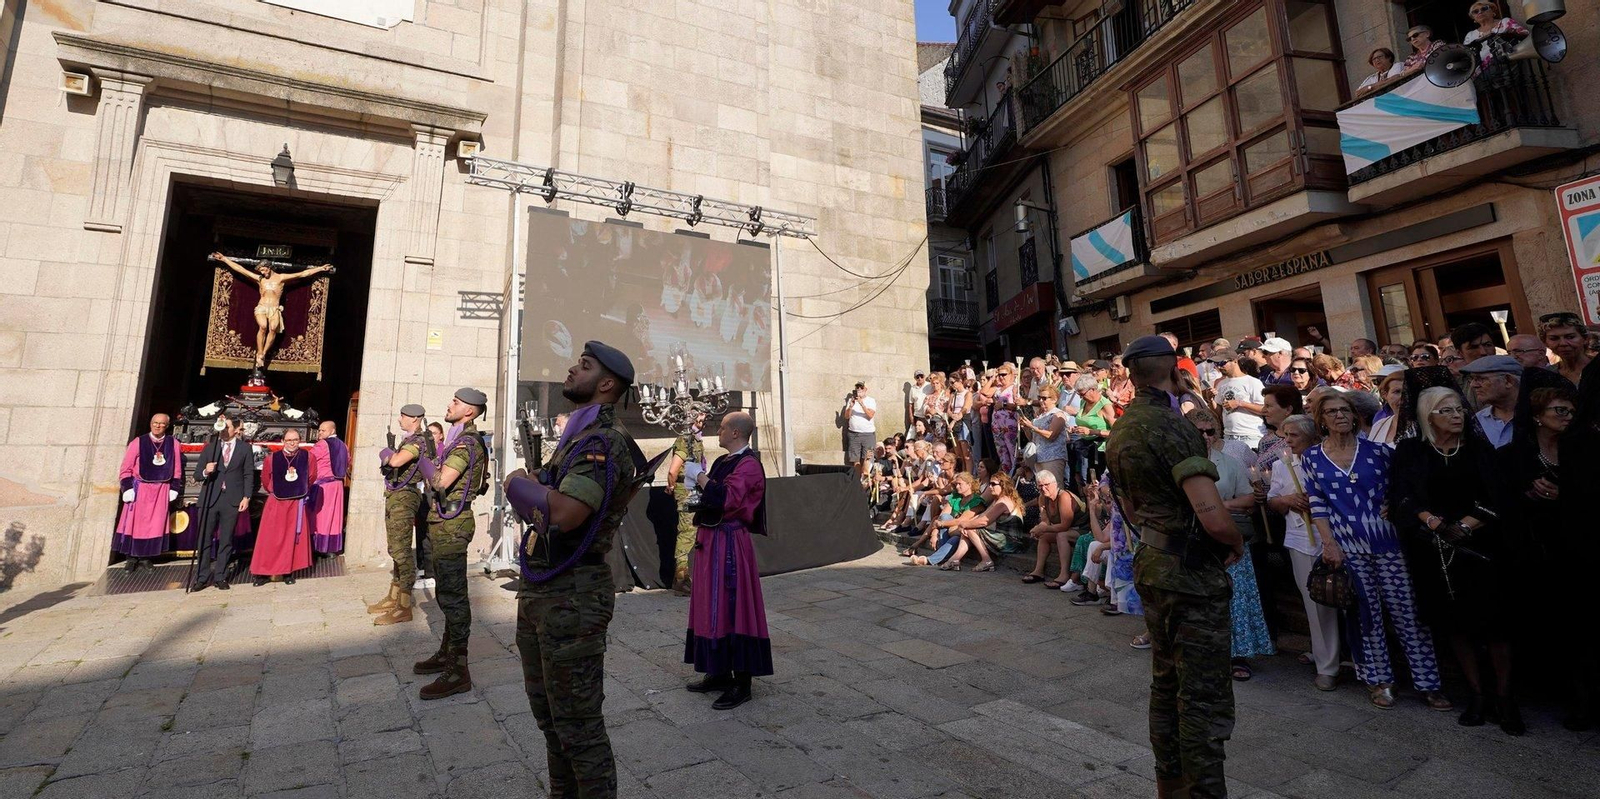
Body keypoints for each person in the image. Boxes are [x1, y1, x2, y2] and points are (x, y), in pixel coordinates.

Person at [504, 342, 642, 798]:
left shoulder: (601, 441)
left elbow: (564, 514)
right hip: (549, 589)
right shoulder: (579, 437)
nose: (570, 368)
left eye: (583, 366)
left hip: (573, 595)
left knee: (579, 728)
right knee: (550, 720)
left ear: (606, 384)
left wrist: (517, 486)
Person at [1107, 335, 1242, 799]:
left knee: (1166, 684)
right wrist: (1234, 540)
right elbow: (1210, 511)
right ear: (1171, 370)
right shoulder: (1172, 426)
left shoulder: (1122, 428)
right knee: (1202, 697)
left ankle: (1169, 787)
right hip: (1189, 569)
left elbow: (1127, 502)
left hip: (1152, 559)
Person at [1303, 392, 1449, 711]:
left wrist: (1393, 506)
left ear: (1356, 416)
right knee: (1365, 614)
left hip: (1387, 541)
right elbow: (1317, 502)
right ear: (1321, 419)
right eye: (1331, 411)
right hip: (1345, 545)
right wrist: (1328, 543)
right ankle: (1378, 680)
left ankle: (1429, 683)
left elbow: (1402, 490)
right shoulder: (1312, 457)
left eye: (1345, 410)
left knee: (1406, 611)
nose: (1339, 415)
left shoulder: (1380, 451)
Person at [1389, 386, 1515, 731]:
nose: (1457, 415)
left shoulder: (1477, 449)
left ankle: (1504, 698)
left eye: (1459, 409)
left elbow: (1497, 494)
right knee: (1455, 623)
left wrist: (1464, 525)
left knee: (1496, 626)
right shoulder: (1412, 450)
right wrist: (1433, 522)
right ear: (1428, 416)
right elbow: (1401, 495)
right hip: (1434, 549)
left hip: (1481, 546)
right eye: (1446, 411)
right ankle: (1476, 695)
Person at [683, 411, 772, 710]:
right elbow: (710, 495)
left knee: (734, 606)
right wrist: (696, 487)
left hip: (731, 543)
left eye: (721, 428)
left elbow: (727, 499)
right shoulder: (723, 462)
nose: (717, 432)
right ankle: (718, 672)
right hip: (712, 540)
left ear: (735, 433)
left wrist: (700, 476)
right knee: (711, 606)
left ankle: (742, 683)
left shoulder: (749, 465)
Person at [413, 387, 491, 700]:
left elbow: (441, 481)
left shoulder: (466, 442)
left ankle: (458, 671)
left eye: (456, 402)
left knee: (454, 596)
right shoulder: (460, 438)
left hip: (452, 524)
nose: (450, 405)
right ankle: (447, 653)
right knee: (447, 592)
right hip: (445, 521)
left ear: (469, 411)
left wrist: (421, 457)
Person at [1187, 409, 1275, 681]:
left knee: (1235, 598)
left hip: (1227, 537)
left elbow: (1249, 499)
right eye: (1199, 431)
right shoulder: (1181, 464)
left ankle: (1238, 654)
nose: (1205, 436)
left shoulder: (1228, 462)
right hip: (1193, 539)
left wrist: (1218, 506)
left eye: (1210, 430)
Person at [1266, 414, 1340, 691]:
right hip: (1300, 540)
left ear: (1312, 436)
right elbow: (1273, 501)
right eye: (1285, 435)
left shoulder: (1327, 459)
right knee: (1315, 603)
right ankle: (1327, 665)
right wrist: (1286, 500)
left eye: (1293, 435)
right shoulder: (1281, 466)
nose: (1287, 440)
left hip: (1334, 538)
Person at [209, 252, 335, 368]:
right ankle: (259, 353)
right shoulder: (260, 279)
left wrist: (320, 268)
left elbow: (301, 274)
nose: (263, 273)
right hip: (262, 307)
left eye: (264, 270)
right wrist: (224, 259)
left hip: (274, 309)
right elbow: (241, 270)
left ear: (269, 267)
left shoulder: (281, 278)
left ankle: (263, 353)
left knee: (273, 328)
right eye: (261, 271)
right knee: (263, 326)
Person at [369, 404, 430, 624]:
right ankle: (394, 596)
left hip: (405, 497)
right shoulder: (409, 439)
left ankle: (404, 605)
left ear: (415, 419)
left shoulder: (417, 441)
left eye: (403, 417)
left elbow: (396, 461)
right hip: (396, 495)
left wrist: (386, 454)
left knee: (402, 552)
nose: (399, 420)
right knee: (395, 548)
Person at [190, 414, 253, 591]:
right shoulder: (211, 448)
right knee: (204, 539)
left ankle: (220, 575)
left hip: (231, 498)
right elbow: (196, 475)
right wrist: (205, 471)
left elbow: (248, 473)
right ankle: (202, 577)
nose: (224, 430)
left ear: (235, 429)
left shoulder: (244, 449)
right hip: (210, 498)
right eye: (221, 427)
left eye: (227, 427)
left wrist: (246, 497)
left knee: (226, 540)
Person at [115, 413, 183, 572]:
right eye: (155, 423)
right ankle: (131, 558)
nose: (158, 426)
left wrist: (174, 488)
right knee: (134, 523)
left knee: (154, 525)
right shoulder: (138, 442)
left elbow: (177, 470)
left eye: (162, 424)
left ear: (167, 426)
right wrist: (127, 487)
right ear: (150, 424)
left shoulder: (173, 443)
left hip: (161, 489)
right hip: (141, 488)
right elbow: (126, 468)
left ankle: (146, 557)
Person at [251, 428, 316, 587]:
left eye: (295, 440)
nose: (293, 443)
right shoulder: (272, 458)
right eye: (289, 440)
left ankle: (288, 571)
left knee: (290, 539)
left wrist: (298, 490)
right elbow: (266, 480)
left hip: (296, 502)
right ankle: (263, 572)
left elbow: (312, 477)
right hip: (277, 503)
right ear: (282, 441)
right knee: (270, 538)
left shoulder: (308, 457)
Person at [940, 472, 1026, 572]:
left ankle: (986, 560)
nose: (990, 487)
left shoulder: (1004, 501)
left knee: (970, 530)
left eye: (993, 484)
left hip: (1010, 541)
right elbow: (982, 515)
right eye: (989, 484)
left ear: (1003, 485)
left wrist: (964, 524)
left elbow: (984, 521)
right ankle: (955, 559)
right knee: (968, 529)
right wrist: (966, 525)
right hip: (1002, 535)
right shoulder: (997, 500)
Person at [664, 414, 706, 595]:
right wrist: (671, 486)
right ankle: (681, 579)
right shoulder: (685, 439)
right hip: (686, 492)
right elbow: (673, 470)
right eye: (699, 419)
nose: (702, 422)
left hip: (694, 490)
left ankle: (683, 578)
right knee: (687, 533)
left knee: (693, 531)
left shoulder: (695, 439)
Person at [1021, 468, 1081, 589]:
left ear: (1055, 484)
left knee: (1061, 535)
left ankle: (1064, 574)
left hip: (1081, 528)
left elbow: (1065, 525)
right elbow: (1045, 521)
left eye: (1046, 485)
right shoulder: (1042, 498)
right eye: (1040, 486)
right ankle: (1038, 571)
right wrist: (1038, 528)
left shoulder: (1063, 496)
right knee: (1044, 536)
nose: (1043, 488)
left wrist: (1043, 529)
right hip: (1068, 529)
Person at [1462, 355, 1521, 449]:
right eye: (1472, 379)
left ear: (1508, 381)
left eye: (1480, 379)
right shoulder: (1476, 421)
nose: (1473, 385)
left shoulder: (1537, 417)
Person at [308, 420, 349, 555]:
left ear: (332, 431)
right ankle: (331, 548)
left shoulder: (322, 445)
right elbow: (348, 461)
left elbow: (309, 459)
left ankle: (318, 547)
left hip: (324, 487)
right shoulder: (344, 446)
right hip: (337, 486)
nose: (319, 433)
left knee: (321, 517)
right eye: (319, 430)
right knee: (334, 517)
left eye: (323, 430)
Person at [1019, 384, 1071, 485]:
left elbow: (1051, 435)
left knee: (1055, 488)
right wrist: (1025, 427)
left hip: (1053, 457)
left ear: (1054, 399)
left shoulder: (1058, 414)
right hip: (1039, 458)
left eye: (1044, 398)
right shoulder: (1039, 417)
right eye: (1039, 398)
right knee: (1042, 490)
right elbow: (1032, 438)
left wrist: (1032, 427)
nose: (1041, 401)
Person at [1214, 353, 1266, 449]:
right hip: (1229, 437)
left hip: (1251, 436)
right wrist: (1210, 400)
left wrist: (1240, 403)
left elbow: (1265, 410)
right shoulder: (1221, 384)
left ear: (1234, 360)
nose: (1219, 367)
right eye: (1216, 364)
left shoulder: (1253, 382)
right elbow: (1219, 413)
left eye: (1222, 363)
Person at [1464, 1, 1528, 66]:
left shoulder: (1505, 22)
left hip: (1507, 65)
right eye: (1475, 11)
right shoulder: (1470, 35)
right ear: (1474, 18)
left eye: (1484, 8)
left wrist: (1510, 35)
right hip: (1481, 72)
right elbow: (1467, 56)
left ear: (1492, 11)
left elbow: (1525, 35)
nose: (1480, 12)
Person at [1541, 312, 1590, 388]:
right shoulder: (1547, 375)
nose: (1563, 343)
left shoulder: (1596, 367)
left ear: (1585, 339)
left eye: (1570, 337)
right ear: (1545, 343)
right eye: (1554, 338)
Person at [843, 381, 877, 477]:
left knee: (868, 458)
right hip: (854, 434)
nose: (859, 390)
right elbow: (846, 416)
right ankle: (858, 481)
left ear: (866, 389)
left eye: (861, 388)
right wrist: (851, 406)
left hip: (868, 435)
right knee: (855, 459)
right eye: (857, 387)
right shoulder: (851, 401)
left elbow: (870, 415)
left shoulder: (871, 400)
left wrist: (862, 404)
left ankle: (866, 481)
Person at [1368, 372, 1408, 446]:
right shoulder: (1378, 425)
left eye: (1408, 392)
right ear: (1385, 395)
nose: (1403, 397)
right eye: (1397, 392)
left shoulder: (1424, 428)